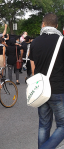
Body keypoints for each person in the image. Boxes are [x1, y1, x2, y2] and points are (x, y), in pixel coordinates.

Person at [29, 13, 64, 149]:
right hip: (58, 89)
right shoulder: (62, 41)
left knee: (44, 124)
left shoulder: (35, 42)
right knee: (62, 125)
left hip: (41, 89)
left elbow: (33, 69)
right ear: (56, 26)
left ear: (43, 24)